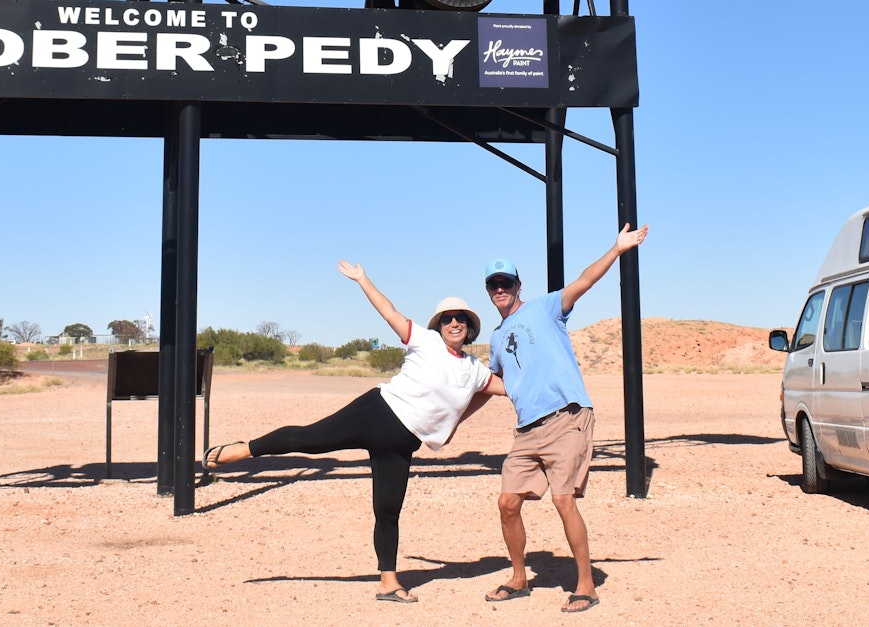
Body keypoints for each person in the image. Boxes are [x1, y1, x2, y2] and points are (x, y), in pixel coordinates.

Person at [201, 260, 505, 604]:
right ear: (438, 325)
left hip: (402, 444)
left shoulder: (474, 370)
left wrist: (457, 423)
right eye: (448, 319)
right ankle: (244, 449)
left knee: (388, 510)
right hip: (376, 413)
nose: (454, 323)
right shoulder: (424, 341)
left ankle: (389, 582)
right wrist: (363, 279)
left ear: (470, 327)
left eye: (461, 319)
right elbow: (389, 312)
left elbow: (505, 389)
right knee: (308, 439)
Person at [479, 223, 649, 613]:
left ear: (519, 285)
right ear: (489, 291)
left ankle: (586, 585)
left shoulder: (546, 307)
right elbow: (498, 383)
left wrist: (617, 248)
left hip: (566, 417)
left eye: (506, 282)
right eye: (494, 285)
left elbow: (585, 281)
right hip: (527, 430)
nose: (500, 289)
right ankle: (519, 578)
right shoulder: (497, 337)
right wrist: (453, 411)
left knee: (563, 499)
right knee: (507, 502)